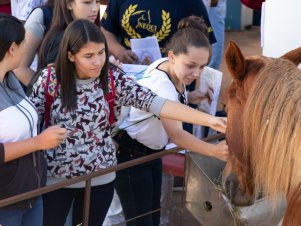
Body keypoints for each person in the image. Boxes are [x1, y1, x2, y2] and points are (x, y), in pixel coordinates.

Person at [29, 19, 227, 226]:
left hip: (100, 178)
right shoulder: (50, 79)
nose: (97, 62)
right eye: (88, 56)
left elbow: (159, 104)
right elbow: (29, 120)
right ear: (70, 55)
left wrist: (211, 120)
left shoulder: (113, 77)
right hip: (57, 179)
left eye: (101, 53)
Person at [114, 16, 229, 226]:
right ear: (172, 56)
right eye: (191, 66)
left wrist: (193, 97)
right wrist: (213, 151)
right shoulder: (163, 85)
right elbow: (177, 134)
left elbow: (172, 102)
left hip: (150, 154)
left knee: (152, 217)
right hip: (132, 157)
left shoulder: (168, 67)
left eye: (202, 67)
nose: (196, 74)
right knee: (141, 222)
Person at [0, 13, 67, 226]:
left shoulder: (10, 78)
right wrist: (38, 142)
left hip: (30, 192)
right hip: (6, 200)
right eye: (24, 44)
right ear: (12, 48)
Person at [100, 0, 216, 64]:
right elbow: (106, 29)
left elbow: (206, 48)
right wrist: (120, 52)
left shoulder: (191, 3)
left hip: (172, 83)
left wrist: (177, 63)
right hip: (129, 76)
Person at [13, 0, 55, 87]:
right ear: (69, 3)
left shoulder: (90, 18)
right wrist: (46, 92)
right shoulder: (43, 15)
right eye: (87, 2)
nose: (92, 9)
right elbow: (19, 68)